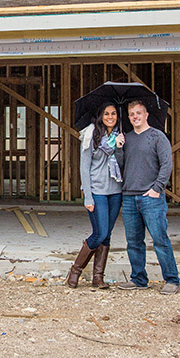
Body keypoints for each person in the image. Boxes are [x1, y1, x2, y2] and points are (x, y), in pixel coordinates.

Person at [116, 99, 180, 295]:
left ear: (146, 115)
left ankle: (171, 279)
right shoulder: (126, 138)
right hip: (129, 197)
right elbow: (120, 167)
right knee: (133, 242)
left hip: (151, 198)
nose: (135, 116)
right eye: (131, 114)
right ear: (128, 117)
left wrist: (157, 189)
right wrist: (118, 148)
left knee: (160, 239)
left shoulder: (157, 137)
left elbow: (166, 165)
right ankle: (138, 279)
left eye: (138, 113)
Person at [67, 102, 124, 289]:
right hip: (97, 191)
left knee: (106, 234)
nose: (110, 117)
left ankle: (98, 278)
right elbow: (85, 167)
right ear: (100, 116)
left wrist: (119, 147)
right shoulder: (90, 135)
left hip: (115, 191)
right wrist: (88, 196)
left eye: (113, 113)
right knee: (99, 233)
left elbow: (123, 163)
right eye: (106, 113)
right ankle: (75, 269)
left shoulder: (120, 135)